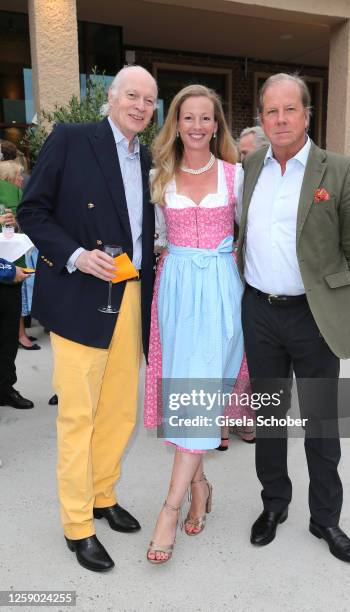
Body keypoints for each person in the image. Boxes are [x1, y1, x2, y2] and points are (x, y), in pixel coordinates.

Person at [17, 65, 157, 572]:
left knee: (119, 410)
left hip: (131, 294)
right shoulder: (72, 140)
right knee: (78, 416)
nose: (141, 106)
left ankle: (103, 495)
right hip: (81, 294)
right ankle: (78, 525)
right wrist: (75, 254)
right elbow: (32, 211)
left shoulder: (146, 157)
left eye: (149, 100)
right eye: (132, 96)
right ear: (112, 97)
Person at [237, 73, 350, 563]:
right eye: (270, 111)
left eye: (288, 109)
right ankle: (274, 504)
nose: (279, 119)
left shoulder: (337, 170)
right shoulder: (250, 166)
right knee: (269, 417)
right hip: (260, 312)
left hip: (314, 317)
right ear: (262, 116)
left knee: (320, 421)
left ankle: (326, 519)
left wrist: (341, 310)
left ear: (307, 114)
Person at [144, 84, 249, 564]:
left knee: (201, 392)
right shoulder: (159, 176)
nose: (198, 126)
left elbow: (250, 232)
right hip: (177, 291)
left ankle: (170, 509)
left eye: (207, 118)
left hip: (222, 291)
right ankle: (200, 486)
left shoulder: (235, 175)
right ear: (177, 122)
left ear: (217, 124)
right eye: (189, 117)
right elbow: (158, 238)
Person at [0, 158, 40, 350]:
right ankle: (20, 334)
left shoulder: (15, 195)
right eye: (17, 176)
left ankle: (21, 333)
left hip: (15, 251)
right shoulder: (7, 195)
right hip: (9, 259)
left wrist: (13, 223)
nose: (21, 179)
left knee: (19, 294)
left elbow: (16, 226)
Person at [0, 256, 34, 410]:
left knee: (8, 338)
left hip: (8, 280)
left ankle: (5, 389)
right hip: (7, 271)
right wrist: (8, 271)